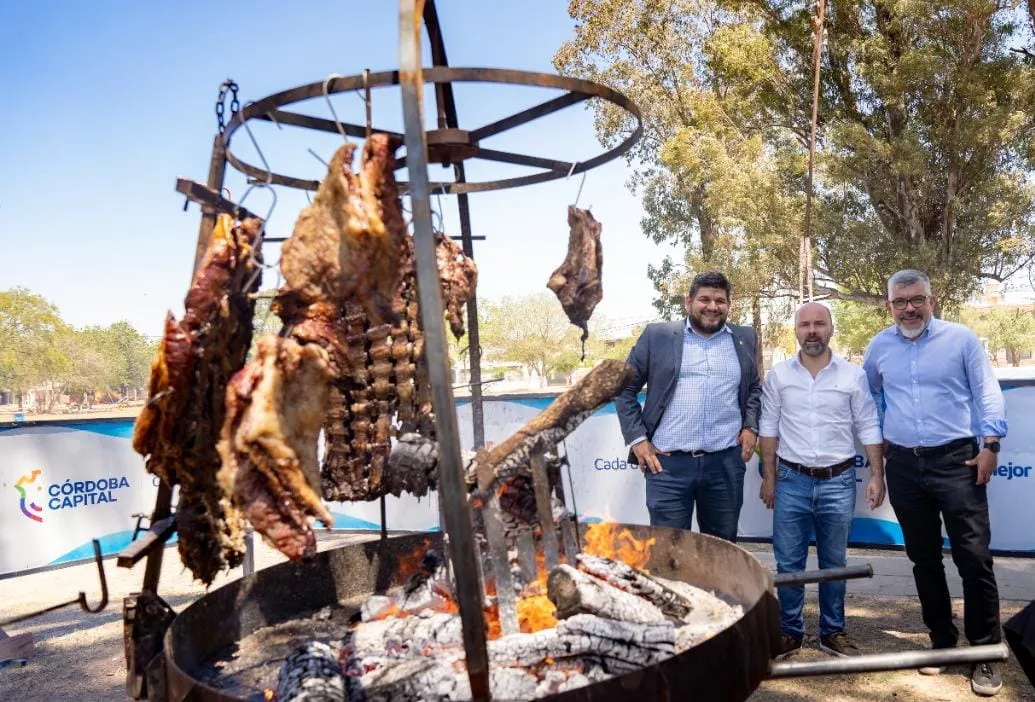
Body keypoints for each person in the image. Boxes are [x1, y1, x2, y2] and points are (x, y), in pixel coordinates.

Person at [864, 269, 1006, 697]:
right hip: (905, 465)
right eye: (901, 301)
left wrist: (992, 444)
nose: (910, 308)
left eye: (917, 299)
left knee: (974, 558)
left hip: (958, 460)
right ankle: (942, 643)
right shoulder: (878, 346)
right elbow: (868, 394)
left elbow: (987, 391)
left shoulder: (960, 339)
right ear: (889, 305)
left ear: (931, 299)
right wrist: (880, 429)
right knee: (924, 560)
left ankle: (985, 652)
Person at [759, 302, 885, 659]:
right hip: (791, 481)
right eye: (804, 325)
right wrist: (769, 478)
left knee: (835, 562)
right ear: (796, 331)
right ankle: (789, 632)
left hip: (838, 481)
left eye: (819, 324)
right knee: (789, 564)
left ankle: (832, 632)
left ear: (831, 328)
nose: (811, 331)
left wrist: (878, 474)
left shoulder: (852, 375)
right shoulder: (779, 376)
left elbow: (868, 425)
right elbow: (768, 428)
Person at [615, 271, 761, 542]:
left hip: (724, 465)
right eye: (704, 299)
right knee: (670, 555)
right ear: (689, 301)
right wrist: (638, 439)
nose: (712, 307)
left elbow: (753, 387)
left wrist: (751, 426)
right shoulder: (657, 336)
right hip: (668, 467)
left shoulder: (745, 338)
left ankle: (718, 587)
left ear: (729, 304)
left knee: (721, 553)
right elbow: (624, 388)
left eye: (720, 300)